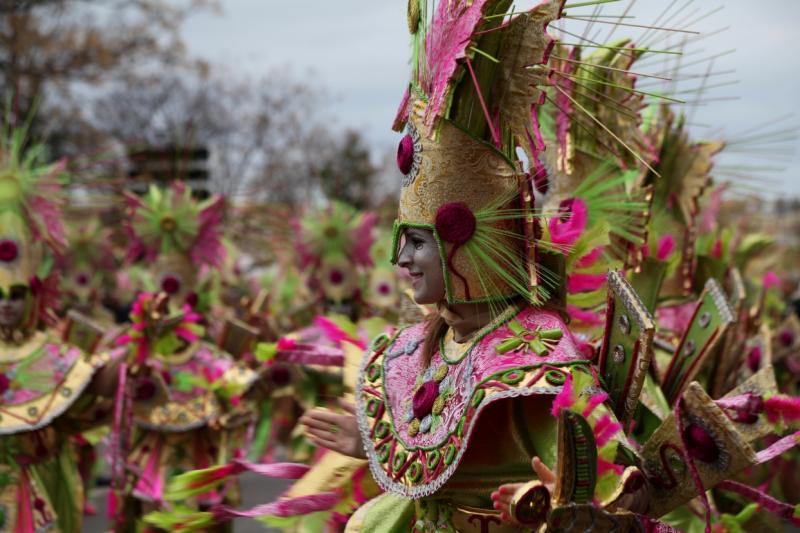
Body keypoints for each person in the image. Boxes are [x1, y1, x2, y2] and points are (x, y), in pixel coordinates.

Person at [0, 125, 118, 532]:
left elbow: (101, 388)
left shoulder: (54, 353)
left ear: (33, 294)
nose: (5, 304)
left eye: (15, 294)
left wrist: (134, 348)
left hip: (40, 491)